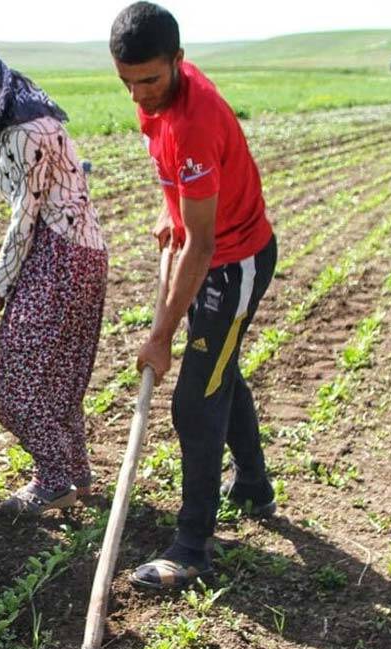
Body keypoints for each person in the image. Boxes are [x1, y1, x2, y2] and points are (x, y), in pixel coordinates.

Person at [109, 2, 278, 590]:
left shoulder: (194, 119)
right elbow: (177, 179)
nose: (138, 96)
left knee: (194, 400)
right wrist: (169, 206)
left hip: (234, 264)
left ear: (178, 62)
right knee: (217, 371)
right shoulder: (156, 96)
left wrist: (159, 337)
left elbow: (201, 249)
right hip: (213, 250)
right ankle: (254, 487)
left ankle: (192, 548)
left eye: (149, 80)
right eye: (126, 81)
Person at [0, 36, 108, 515]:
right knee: (59, 382)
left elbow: (25, 219)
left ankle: (54, 479)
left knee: (17, 388)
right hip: (82, 254)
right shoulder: (29, 109)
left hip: (58, 256)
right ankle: (75, 475)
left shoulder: (27, 130)